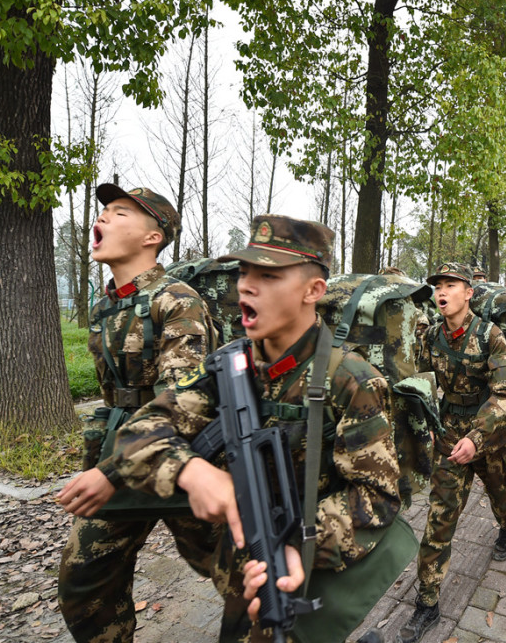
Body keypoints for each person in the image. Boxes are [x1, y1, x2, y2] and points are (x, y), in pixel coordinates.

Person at [112, 214, 403, 643]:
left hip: (307, 557)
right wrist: (192, 472)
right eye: (244, 273)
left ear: (313, 291)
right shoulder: (231, 364)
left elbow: (377, 495)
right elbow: (138, 434)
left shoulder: (353, 380)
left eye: (268, 275)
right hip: (236, 556)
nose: (245, 286)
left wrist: (302, 543)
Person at [56, 184, 220, 643]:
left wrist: (109, 471)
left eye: (119, 212)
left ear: (153, 236)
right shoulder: (106, 305)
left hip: (184, 461)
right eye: (103, 210)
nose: (103, 218)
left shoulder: (177, 300)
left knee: (236, 569)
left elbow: (183, 401)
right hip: (122, 462)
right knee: (84, 582)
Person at [397, 262, 506, 643]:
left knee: (501, 492)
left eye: (451, 285)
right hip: (449, 434)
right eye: (438, 286)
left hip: (489, 432)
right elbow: (420, 385)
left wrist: (478, 439)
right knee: (440, 516)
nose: (442, 292)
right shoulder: (430, 336)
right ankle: (427, 603)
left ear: (468, 292)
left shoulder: (490, 335)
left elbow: (504, 394)